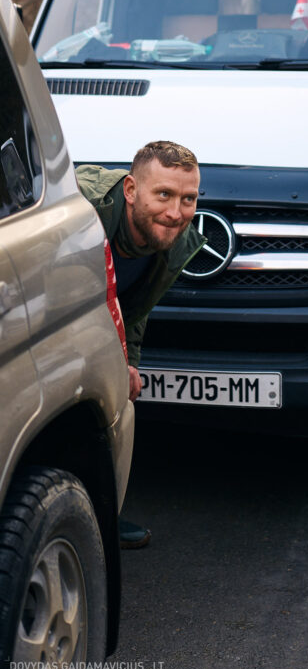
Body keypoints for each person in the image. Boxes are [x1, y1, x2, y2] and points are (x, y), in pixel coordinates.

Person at [76, 140, 206, 548]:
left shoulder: (173, 237)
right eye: (163, 194)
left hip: (95, 318)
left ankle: (99, 517)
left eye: (188, 199)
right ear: (131, 190)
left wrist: (129, 359)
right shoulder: (81, 211)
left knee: (119, 401)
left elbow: (135, 303)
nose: (176, 212)